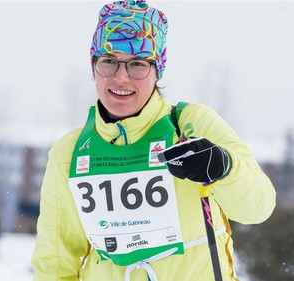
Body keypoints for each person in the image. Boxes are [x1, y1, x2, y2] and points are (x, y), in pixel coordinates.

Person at [31, 1, 276, 280]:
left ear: (157, 69)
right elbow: (55, 262)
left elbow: (259, 208)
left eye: (137, 64)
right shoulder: (69, 153)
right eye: (108, 61)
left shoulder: (190, 125)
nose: (121, 78)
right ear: (94, 67)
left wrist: (224, 168)